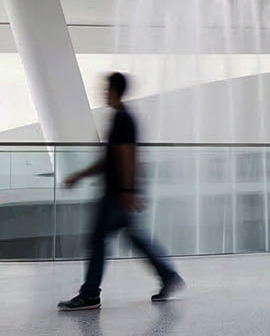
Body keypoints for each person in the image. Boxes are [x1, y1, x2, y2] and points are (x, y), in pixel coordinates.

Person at [59, 73, 183, 310]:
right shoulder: (120, 118)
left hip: (116, 194)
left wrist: (127, 190)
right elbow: (110, 159)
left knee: (97, 240)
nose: (103, 92)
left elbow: (127, 155)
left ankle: (90, 294)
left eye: (106, 89)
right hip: (119, 192)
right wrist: (80, 176)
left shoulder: (123, 119)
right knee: (135, 238)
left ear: (115, 91)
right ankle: (168, 276)